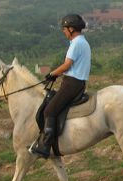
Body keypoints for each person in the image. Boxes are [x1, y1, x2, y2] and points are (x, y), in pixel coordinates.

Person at [29, 14, 91, 159]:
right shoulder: (82, 42)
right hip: (75, 82)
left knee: (49, 110)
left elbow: (67, 65)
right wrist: (57, 75)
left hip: (72, 83)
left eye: (64, 29)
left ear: (71, 29)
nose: (63, 31)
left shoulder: (76, 43)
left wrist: (52, 73)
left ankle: (45, 146)